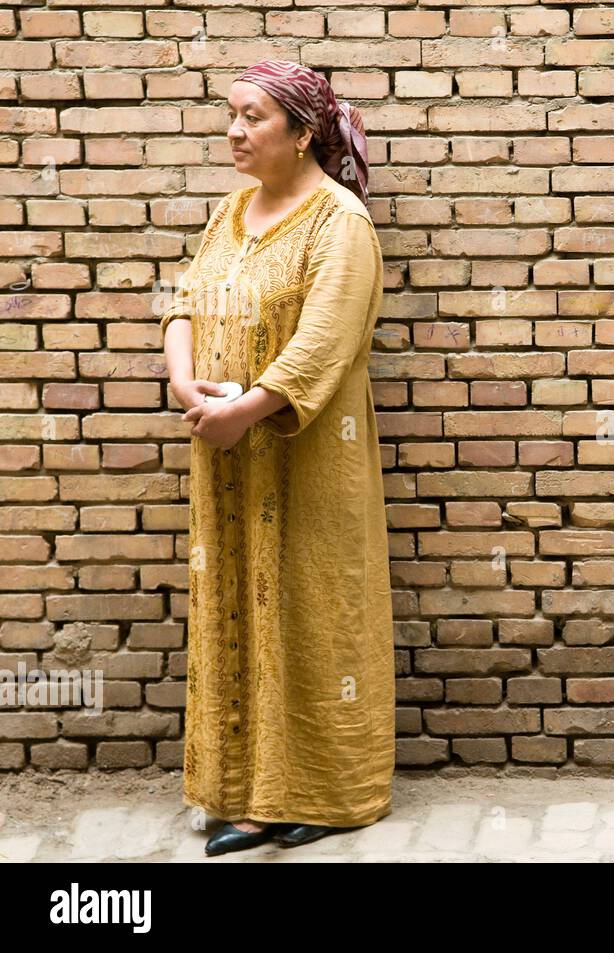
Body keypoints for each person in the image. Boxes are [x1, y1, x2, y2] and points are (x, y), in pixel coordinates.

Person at [158, 59, 394, 857]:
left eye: (252, 117)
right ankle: (243, 790)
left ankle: (320, 795)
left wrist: (249, 408)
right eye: (230, 115)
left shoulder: (340, 222)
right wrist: (187, 381)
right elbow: (187, 299)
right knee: (237, 602)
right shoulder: (230, 211)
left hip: (307, 455)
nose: (234, 131)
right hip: (225, 456)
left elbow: (324, 343)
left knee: (310, 609)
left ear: (302, 134)